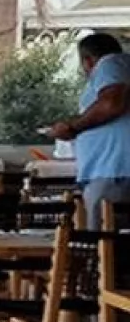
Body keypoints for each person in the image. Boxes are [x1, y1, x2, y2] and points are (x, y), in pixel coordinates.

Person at [51, 32, 130, 227]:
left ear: (87, 60)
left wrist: (72, 127)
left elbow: (111, 103)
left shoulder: (111, 64)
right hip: (114, 171)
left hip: (113, 171)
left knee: (101, 239)